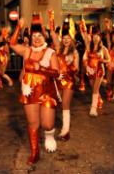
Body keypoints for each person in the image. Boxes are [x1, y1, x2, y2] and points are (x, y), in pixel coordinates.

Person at [10, 14, 60, 165]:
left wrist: (42, 69)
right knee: (33, 124)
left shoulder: (50, 52)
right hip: (30, 91)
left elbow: (57, 73)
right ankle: (35, 152)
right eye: (34, 36)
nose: (37, 38)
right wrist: (18, 27)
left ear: (44, 37)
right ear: (30, 37)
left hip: (47, 92)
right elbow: (12, 44)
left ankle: (49, 135)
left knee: (47, 125)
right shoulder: (27, 51)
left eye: (39, 35)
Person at [49, 14, 79, 141]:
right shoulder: (58, 49)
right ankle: (62, 127)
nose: (66, 40)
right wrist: (51, 17)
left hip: (69, 81)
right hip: (58, 81)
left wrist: (70, 63)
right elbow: (52, 34)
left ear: (72, 39)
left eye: (68, 38)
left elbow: (76, 69)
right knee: (61, 105)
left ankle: (65, 131)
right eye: (64, 37)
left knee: (66, 104)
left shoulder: (75, 52)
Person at [83, 25, 110, 117]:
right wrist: (87, 67)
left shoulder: (103, 49)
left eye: (97, 36)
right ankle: (99, 100)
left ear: (100, 37)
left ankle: (93, 108)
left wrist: (103, 60)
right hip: (90, 71)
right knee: (93, 88)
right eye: (94, 36)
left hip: (99, 70)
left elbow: (109, 59)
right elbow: (85, 58)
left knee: (95, 89)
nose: (95, 38)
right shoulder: (88, 46)